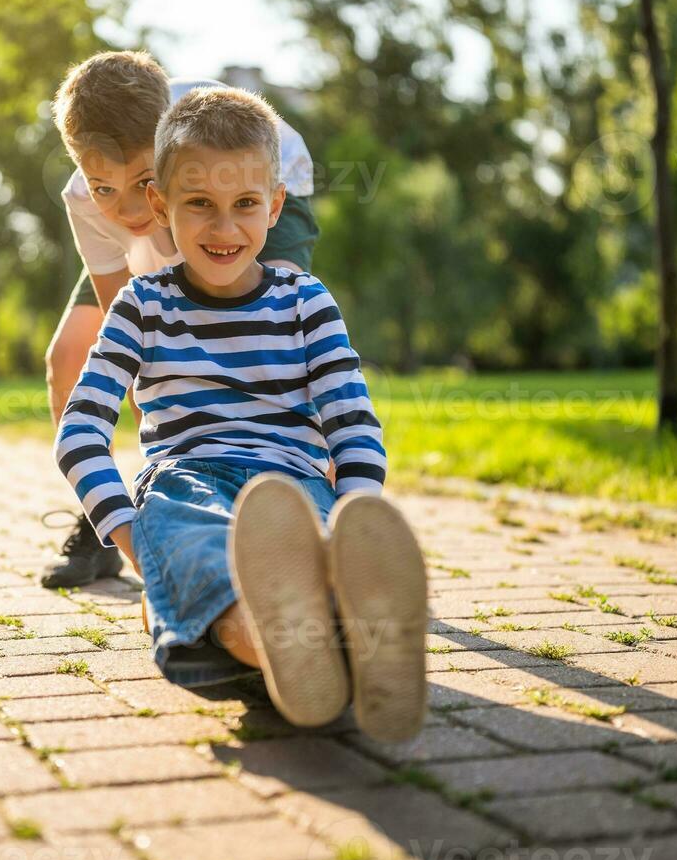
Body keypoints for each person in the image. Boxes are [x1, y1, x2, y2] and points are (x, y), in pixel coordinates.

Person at [54, 87, 427, 741]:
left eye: (245, 206)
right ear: (162, 207)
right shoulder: (141, 307)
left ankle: (335, 631)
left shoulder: (305, 301)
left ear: (275, 206)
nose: (224, 230)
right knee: (204, 568)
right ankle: (319, 653)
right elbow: (81, 428)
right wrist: (131, 537)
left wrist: (353, 515)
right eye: (200, 206)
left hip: (294, 489)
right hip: (184, 485)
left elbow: (351, 418)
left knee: (259, 568)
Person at [40, 50, 319, 589]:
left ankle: (308, 490)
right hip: (168, 206)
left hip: (237, 191)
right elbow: (128, 339)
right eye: (103, 188)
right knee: (70, 355)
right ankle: (102, 520)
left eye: (139, 179)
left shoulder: (215, 152)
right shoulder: (88, 200)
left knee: (270, 337)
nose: (124, 208)